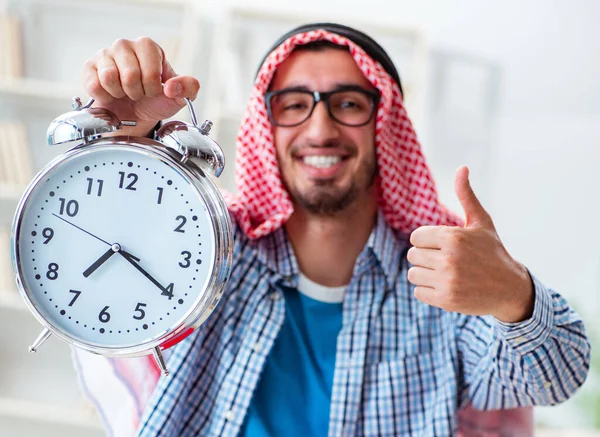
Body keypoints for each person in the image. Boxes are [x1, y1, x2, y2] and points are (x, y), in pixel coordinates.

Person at [77, 23, 590, 436]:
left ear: (384, 124)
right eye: (294, 105)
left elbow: (557, 375)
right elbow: (97, 271)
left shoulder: (445, 282)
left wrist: (513, 295)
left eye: (347, 104)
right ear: (266, 127)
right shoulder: (209, 247)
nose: (320, 130)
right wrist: (123, 140)